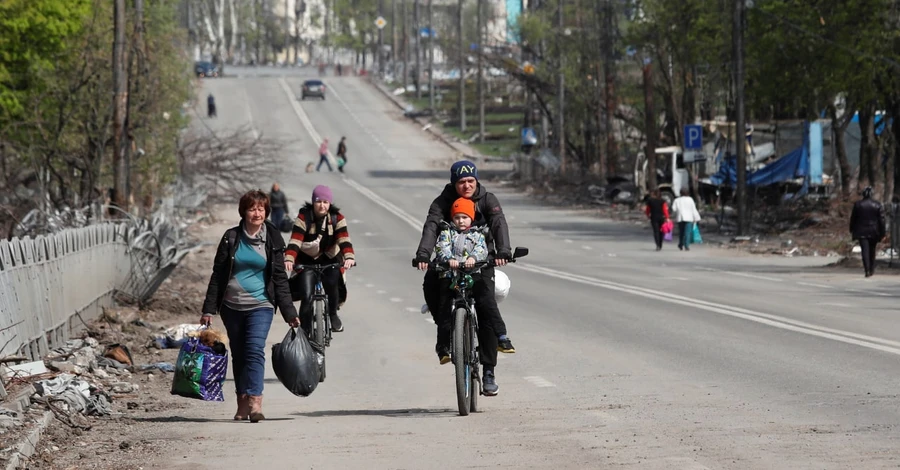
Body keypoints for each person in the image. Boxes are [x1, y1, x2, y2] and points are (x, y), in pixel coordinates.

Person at [415, 160, 513, 397]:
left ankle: (489, 372)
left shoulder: (488, 200)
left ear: (476, 180)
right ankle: (446, 332)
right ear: (453, 183)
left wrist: (503, 251)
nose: (467, 186)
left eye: (471, 181)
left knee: (485, 306)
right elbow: (431, 227)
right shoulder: (442, 202)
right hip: (449, 260)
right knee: (430, 283)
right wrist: (423, 255)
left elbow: (499, 224)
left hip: (480, 262)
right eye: (461, 182)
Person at [200, 190, 299, 423]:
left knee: (254, 350)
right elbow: (218, 275)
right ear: (243, 211)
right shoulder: (231, 237)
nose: (257, 213)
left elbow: (279, 278)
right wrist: (208, 309)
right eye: (253, 209)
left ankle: (255, 402)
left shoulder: (273, 237)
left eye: (261, 209)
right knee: (240, 353)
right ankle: (241, 400)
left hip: (261, 304)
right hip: (231, 306)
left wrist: (289, 313)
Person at [284, 185, 355, 334]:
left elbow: (344, 240)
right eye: (318, 201)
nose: (322, 205)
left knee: (332, 282)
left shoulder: (337, 218)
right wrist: (289, 259)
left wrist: (349, 257)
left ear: (329, 204)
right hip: (306, 260)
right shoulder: (304, 217)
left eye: (325, 202)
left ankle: (333, 314)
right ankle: (304, 331)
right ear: (313, 202)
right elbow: (295, 241)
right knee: (306, 294)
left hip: (330, 258)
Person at [433, 198, 489, 365]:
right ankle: (444, 348)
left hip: (472, 277)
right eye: (457, 217)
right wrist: (449, 259)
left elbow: (482, 249)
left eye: (464, 217)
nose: (460, 221)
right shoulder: (447, 232)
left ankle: (486, 335)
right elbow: (441, 247)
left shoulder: (478, 234)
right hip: (452, 279)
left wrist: (473, 258)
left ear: (471, 218)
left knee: (484, 302)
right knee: (444, 309)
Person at [850, 186, 886, 277]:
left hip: (861, 231)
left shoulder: (858, 205)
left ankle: (867, 270)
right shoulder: (877, 205)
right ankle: (872, 268)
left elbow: (853, 219)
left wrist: (852, 229)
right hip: (874, 231)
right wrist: (883, 232)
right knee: (872, 250)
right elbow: (882, 220)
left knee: (864, 251)